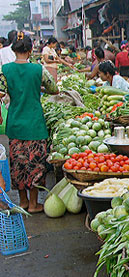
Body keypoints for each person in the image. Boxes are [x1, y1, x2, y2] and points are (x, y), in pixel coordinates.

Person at [0, 33, 58, 212]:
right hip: (35, 123)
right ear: (31, 50)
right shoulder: (38, 69)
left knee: (18, 164)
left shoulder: (5, 70)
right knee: (35, 165)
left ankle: (23, 202)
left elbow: (0, 93)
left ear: (13, 49)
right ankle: (34, 204)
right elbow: (54, 89)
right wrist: (37, 87)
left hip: (16, 123)